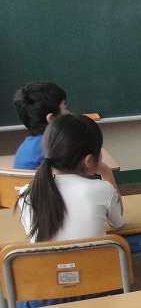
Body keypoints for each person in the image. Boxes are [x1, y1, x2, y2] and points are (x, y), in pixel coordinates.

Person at [18, 113, 123, 243]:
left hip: (46, 258)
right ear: (89, 161)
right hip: (95, 257)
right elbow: (117, 223)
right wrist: (107, 173)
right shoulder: (102, 189)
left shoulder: (26, 193)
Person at [12, 81, 68, 169]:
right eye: (65, 108)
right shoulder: (58, 148)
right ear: (52, 118)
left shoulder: (23, 149)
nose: (69, 113)